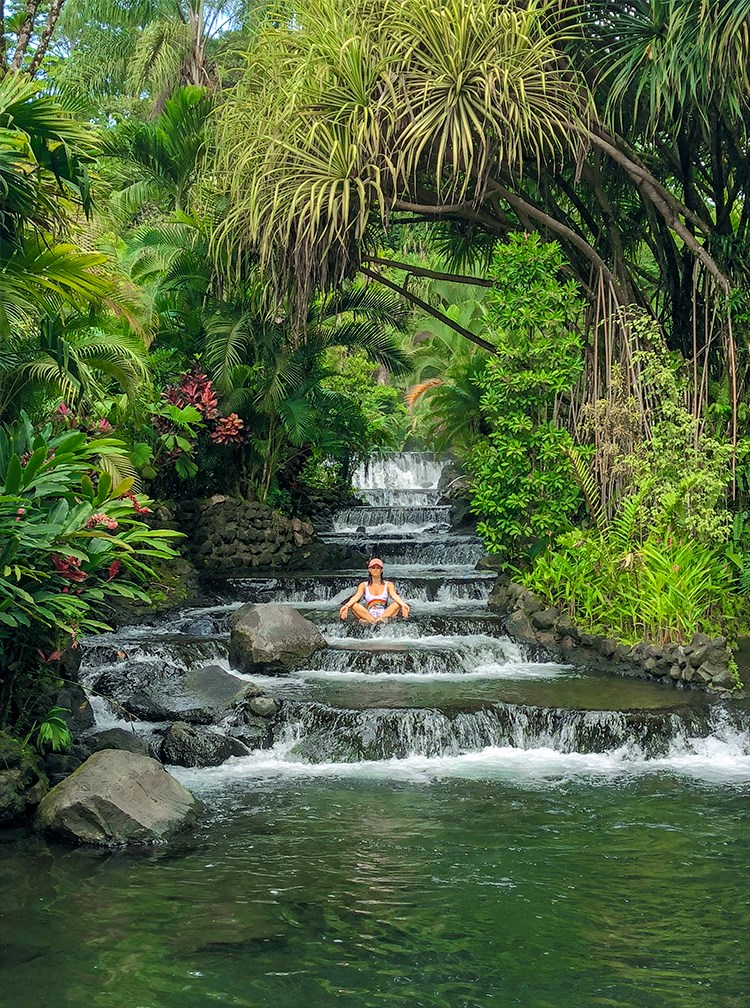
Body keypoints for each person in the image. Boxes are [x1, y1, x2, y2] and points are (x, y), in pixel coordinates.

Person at [339, 558, 410, 625]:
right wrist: (346, 606)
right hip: (368, 613)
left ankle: (374, 620)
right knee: (354, 605)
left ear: (381, 570)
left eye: (378, 568)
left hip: (384, 613)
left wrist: (403, 604)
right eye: (373, 568)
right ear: (369, 570)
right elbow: (356, 596)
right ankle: (376, 621)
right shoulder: (363, 585)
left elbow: (394, 595)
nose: (375, 570)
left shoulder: (389, 584)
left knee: (397, 604)